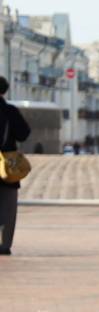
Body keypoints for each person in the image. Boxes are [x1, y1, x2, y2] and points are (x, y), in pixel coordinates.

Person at [0, 77, 30, 254]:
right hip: (7, 164)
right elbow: (23, 134)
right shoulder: (10, 111)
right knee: (7, 207)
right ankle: (4, 244)